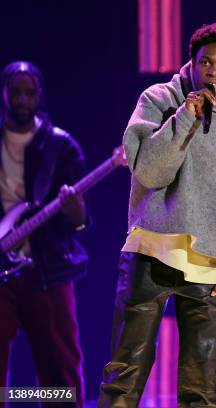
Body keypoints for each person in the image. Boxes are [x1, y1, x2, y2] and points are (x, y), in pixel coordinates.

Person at [97, 23, 216, 407]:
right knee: (124, 376)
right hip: (150, 252)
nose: (213, 71)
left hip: (208, 265)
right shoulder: (158, 100)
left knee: (203, 388)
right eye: (206, 62)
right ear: (192, 65)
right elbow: (148, 171)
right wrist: (184, 117)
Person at [0, 61, 89, 407]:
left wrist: (74, 210)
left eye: (29, 92)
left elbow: (80, 222)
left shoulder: (61, 147)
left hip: (46, 271)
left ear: (40, 96)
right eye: (15, 92)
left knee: (60, 370)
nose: (22, 100)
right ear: (4, 94)